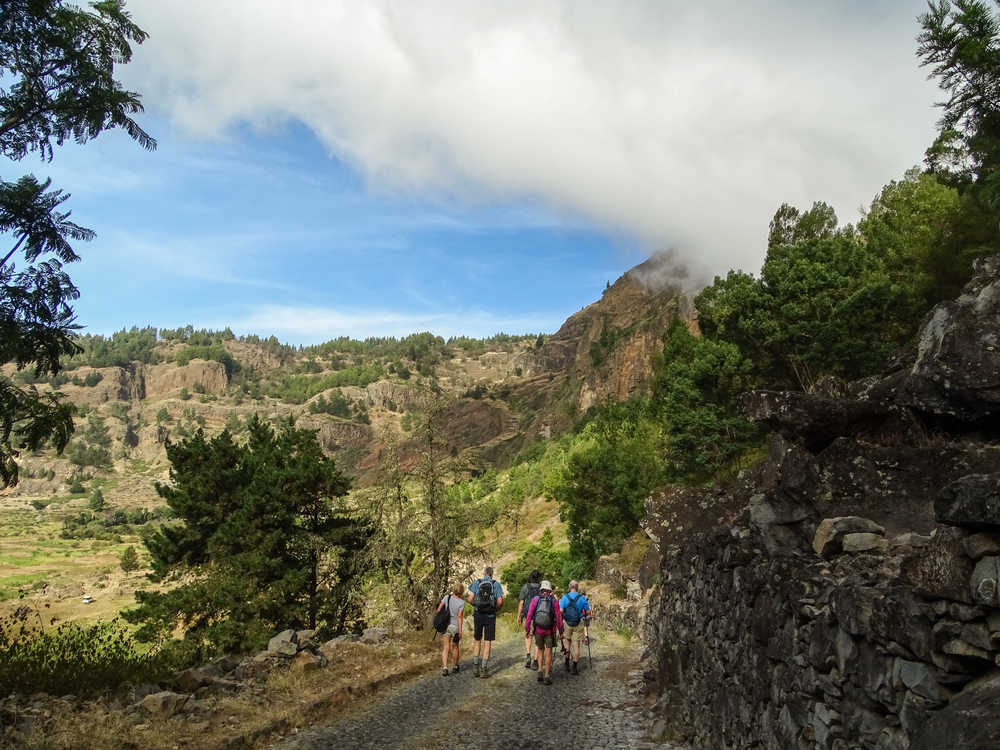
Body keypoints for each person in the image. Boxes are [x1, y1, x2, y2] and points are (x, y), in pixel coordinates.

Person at [524, 579, 563, 685]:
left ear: (541, 589)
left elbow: (529, 616)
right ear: (549, 590)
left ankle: (540, 671)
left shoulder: (535, 599)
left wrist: (527, 629)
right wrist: (561, 630)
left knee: (540, 650)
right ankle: (547, 675)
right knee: (548, 652)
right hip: (550, 630)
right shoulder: (554, 601)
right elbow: (558, 617)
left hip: (538, 630)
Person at [467, 566, 504, 677]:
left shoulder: (477, 582)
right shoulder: (496, 584)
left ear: (484, 574)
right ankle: (484, 668)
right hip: (490, 616)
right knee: (487, 641)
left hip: (478, 615)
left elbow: (469, 599)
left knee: (477, 640)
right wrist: (495, 609)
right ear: (492, 574)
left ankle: (475, 666)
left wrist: (476, 606)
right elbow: (500, 601)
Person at [559, 580, 591, 674]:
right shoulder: (582, 598)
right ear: (577, 588)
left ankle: (566, 664)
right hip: (578, 623)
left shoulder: (565, 597)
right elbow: (588, 612)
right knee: (576, 646)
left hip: (567, 624)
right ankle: (574, 667)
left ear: (569, 587)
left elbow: (560, 611)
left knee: (567, 644)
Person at [436, 583, 465, 676]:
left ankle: (445, 668)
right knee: (455, 647)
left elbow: (438, 610)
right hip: (455, 627)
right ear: (461, 591)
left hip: (446, 626)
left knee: (446, 647)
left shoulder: (446, 597)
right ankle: (455, 666)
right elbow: (460, 617)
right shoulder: (461, 602)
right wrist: (460, 631)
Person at [516, 569, 542, 669]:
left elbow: (521, 603)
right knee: (537, 638)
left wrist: (519, 616)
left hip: (528, 616)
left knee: (528, 636)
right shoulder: (541, 588)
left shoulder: (525, 587)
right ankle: (535, 661)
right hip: (539, 616)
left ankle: (528, 656)